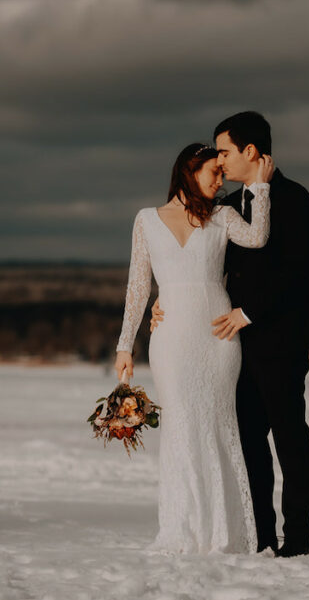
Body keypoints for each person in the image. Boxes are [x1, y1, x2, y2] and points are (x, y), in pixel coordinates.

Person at [152, 111, 309, 557]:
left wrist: (249, 312)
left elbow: (298, 271)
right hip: (232, 348)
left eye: (224, 151)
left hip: (280, 342)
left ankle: (297, 540)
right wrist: (165, 300)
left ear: (250, 151)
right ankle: (260, 536)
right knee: (248, 445)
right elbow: (205, 267)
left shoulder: (295, 198)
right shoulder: (226, 209)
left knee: (289, 439)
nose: (219, 162)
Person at [114, 142, 275, 554]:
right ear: (190, 170)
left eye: (223, 173)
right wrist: (125, 344)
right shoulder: (146, 220)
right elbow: (138, 288)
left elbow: (257, 238)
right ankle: (183, 529)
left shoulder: (222, 216)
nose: (220, 180)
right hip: (171, 341)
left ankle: (224, 532)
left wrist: (260, 188)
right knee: (182, 425)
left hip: (218, 338)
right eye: (214, 172)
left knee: (218, 427)